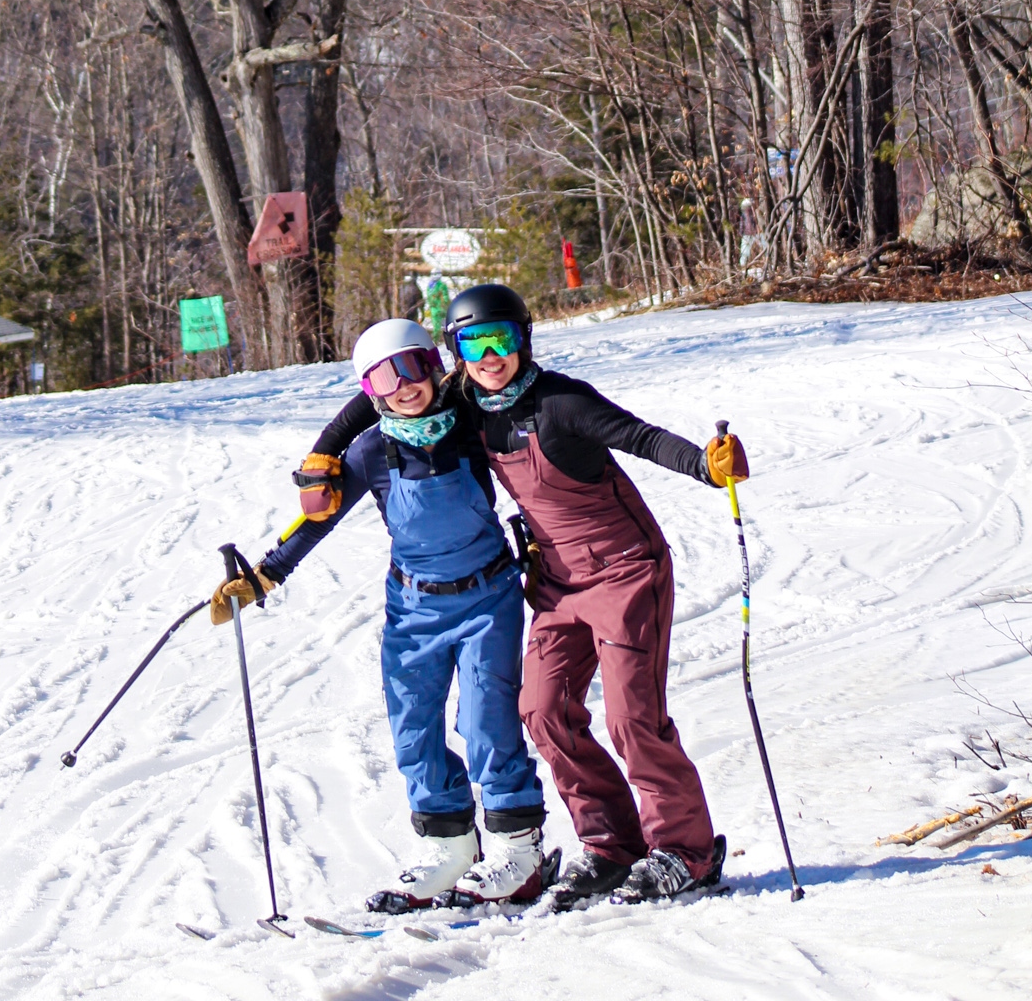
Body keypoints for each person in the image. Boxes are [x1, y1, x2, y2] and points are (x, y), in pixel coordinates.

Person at [301, 284, 748, 906]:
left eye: (501, 340)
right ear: (455, 355)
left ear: (524, 340)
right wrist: (323, 452)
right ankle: (611, 846)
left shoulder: (562, 402)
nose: (489, 357)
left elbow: (641, 437)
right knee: (542, 710)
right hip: (556, 585)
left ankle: (685, 851)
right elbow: (377, 392)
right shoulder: (463, 397)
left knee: (631, 717)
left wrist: (706, 464)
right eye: (471, 344)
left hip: (625, 572)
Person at [210, 316, 553, 911]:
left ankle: (516, 850)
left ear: (436, 367)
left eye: (414, 367)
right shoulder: (370, 451)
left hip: (487, 597)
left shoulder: (474, 425)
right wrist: (266, 573)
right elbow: (319, 522)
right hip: (412, 606)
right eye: (383, 378)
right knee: (413, 726)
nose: (403, 385)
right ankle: (449, 849)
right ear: (368, 391)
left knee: (486, 719)